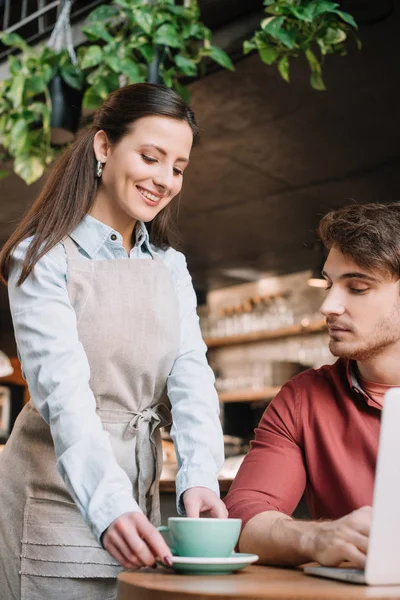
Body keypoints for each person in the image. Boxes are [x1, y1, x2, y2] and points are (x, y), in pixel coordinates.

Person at [0, 83, 226, 600]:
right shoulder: (42, 260)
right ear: (104, 148)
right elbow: (64, 397)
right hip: (55, 501)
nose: (165, 180)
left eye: (178, 167)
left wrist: (200, 479)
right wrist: (107, 506)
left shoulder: (171, 266)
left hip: (137, 500)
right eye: (151, 157)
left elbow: (192, 380)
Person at [225, 201, 400, 569]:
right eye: (330, 284)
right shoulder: (303, 398)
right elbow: (244, 516)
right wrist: (316, 537)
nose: (328, 305)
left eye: (357, 288)